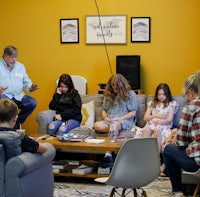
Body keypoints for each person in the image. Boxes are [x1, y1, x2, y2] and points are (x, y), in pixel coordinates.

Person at [163, 71, 200, 197]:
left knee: (168, 149)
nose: (185, 98)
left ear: (190, 92)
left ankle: (178, 191)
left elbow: (181, 142)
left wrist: (174, 139)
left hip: (197, 163)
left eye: (185, 94)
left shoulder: (191, 106)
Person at [94, 73, 138, 167]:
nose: (115, 90)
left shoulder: (131, 94)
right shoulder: (109, 94)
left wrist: (118, 119)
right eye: (113, 88)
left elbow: (133, 113)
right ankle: (115, 133)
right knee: (97, 125)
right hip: (110, 120)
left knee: (114, 126)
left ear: (122, 86)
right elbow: (104, 110)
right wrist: (106, 118)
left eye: (117, 88)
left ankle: (108, 154)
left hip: (124, 120)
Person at [0, 45, 39, 129]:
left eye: (15, 57)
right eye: (11, 57)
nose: (14, 59)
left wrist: (30, 87)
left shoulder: (20, 66)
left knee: (32, 103)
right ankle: (5, 127)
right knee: (6, 106)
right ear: (4, 56)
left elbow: (26, 81)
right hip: (4, 95)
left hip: (18, 95)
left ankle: (16, 124)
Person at [142, 83, 179, 153]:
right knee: (146, 129)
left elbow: (169, 119)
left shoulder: (172, 104)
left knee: (157, 129)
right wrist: (156, 116)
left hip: (163, 125)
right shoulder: (152, 103)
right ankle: (144, 155)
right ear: (156, 94)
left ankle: (156, 157)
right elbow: (145, 118)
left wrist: (162, 121)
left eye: (163, 94)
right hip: (152, 124)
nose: (161, 96)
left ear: (167, 94)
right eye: (159, 94)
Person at [48, 74, 82, 138]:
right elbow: (52, 107)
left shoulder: (75, 94)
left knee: (62, 129)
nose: (63, 89)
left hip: (73, 119)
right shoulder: (58, 94)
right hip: (61, 119)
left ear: (70, 86)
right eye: (62, 86)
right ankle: (52, 147)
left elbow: (77, 110)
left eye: (66, 87)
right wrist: (57, 95)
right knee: (51, 126)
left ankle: (59, 146)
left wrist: (62, 115)